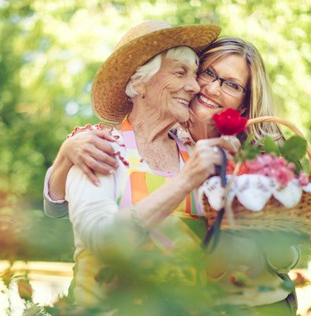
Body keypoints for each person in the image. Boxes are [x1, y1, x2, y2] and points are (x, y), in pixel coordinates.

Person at [44, 31, 299, 313]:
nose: (203, 87)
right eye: (206, 73)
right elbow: (77, 222)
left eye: (230, 84)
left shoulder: (242, 155)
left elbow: (278, 253)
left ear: (245, 101)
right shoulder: (102, 145)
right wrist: (64, 157)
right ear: (142, 81)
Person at [51, 20, 237, 309]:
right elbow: (102, 241)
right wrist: (185, 182)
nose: (194, 85)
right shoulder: (98, 148)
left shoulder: (195, 154)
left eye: (194, 73)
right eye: (180, 72)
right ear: (141, 83)